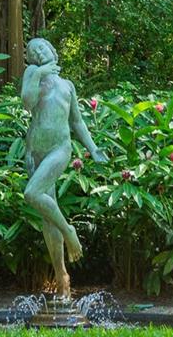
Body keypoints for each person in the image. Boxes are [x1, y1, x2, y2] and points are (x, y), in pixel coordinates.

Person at [21, 37, 108, 298]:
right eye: (33, 52)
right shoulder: (32, 73)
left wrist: (93, 148)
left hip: (60, 148)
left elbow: (77, 122)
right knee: (48, 215)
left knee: (32, 194)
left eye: (42, 47)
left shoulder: (67, 85)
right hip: (36, 150)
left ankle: (70, 232)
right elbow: (27, 101)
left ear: (53, 51)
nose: (38, 52)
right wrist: (38, 73)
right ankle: (61, 278)